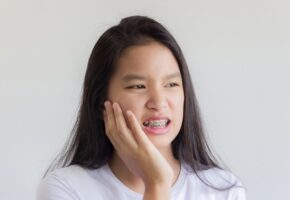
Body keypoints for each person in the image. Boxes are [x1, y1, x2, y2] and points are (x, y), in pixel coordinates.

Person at [37, 15, 246, 200]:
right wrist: (157, 184)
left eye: (171, 84)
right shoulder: (66, 188)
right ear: (101, 103)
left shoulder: (224, 191)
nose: (159, 102)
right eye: (139, 86)